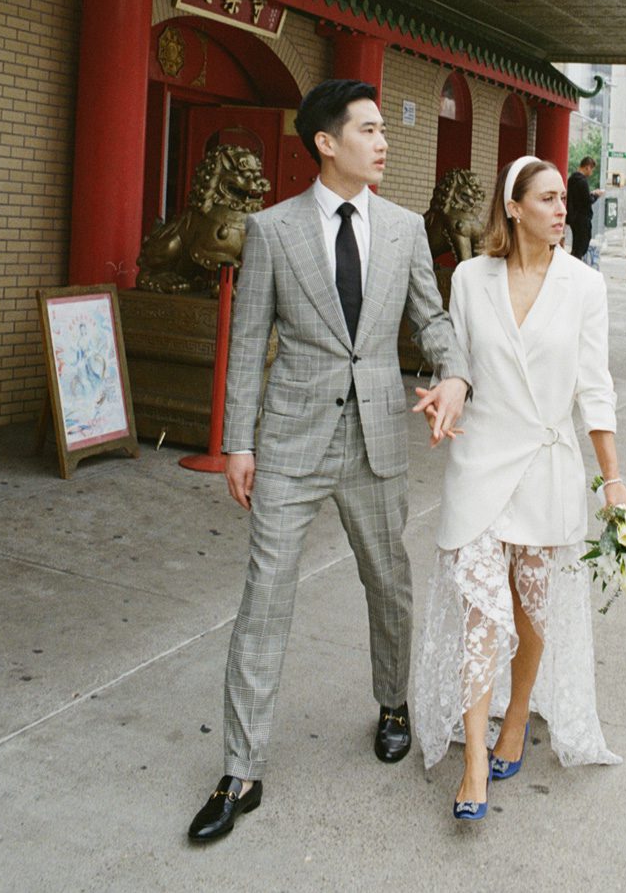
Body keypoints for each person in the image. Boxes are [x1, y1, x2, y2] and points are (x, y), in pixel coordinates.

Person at [188, 79, 471, 842]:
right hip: (290, 440)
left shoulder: (407, 228)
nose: (383, 143)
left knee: (389, 584)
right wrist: (238, 443)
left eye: (385, 129)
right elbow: (248, 343)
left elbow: (432, 320)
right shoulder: (271, 230)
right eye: (370, 130)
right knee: (264, 598)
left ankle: (391, 703)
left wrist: (453, 375)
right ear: (325, 142)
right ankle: (241, 770)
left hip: (377, 435)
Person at [414, 155, 626, 821]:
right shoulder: (472, 281)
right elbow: (463, 364)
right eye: (546, 199)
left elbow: (594, 386)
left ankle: (516, 717)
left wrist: (612, 479)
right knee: (484, 609)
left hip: (547, 464)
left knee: (532, 610)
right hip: (481, 459)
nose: (561, 210)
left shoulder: (584, 285)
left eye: (563, 199)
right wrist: (450, 391)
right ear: (513, 208)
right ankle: (474, 758)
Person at [566, 155, 603, 262]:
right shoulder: (582, 181)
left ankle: (574, 264)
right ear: (587, 167)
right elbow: (587, 201)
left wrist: (591, 193)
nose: (591, 173)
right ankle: (575, 266)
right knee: (581, 246)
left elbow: (579, 197)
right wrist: (596, 195)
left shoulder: (572, 179)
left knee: (576, 245)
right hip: (582, 218)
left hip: (574, 217)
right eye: (591, 169)